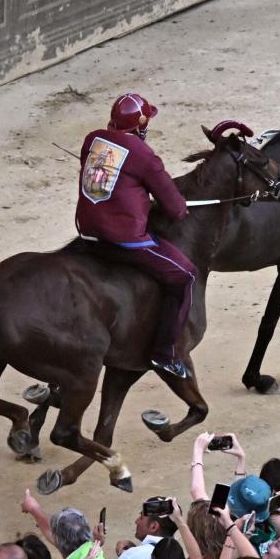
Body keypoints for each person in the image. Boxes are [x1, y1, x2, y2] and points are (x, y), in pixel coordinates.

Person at [74, 94, 196, 377]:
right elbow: (176, 209)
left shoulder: (93, 139)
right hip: (123, 240)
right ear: (140, 125)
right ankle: (165, 353)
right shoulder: (144, 155)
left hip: (88, 232)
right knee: (185, 275)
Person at [109, 496, 177, 559]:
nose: (136, 521)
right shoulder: (177, 553)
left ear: (153, 527)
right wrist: (135, 549)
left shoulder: (131, 558)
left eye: (141, 517)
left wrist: (97, 546)